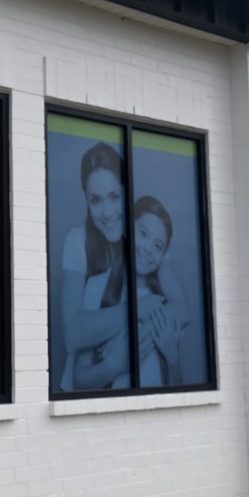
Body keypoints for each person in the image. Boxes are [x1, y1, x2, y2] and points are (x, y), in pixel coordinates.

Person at [59, 143, 164, 390]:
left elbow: (178, 310)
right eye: (95, 200)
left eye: (114, 197)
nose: (107, 213)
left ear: (127, 192)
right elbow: (72, 335)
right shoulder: (78, 241)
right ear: (85, 198)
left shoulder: (145, 241)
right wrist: (136, 310)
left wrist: (112, 335)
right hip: (79, 393)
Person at [87, 197, 188, 389]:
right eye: (143, 233)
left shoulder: (163, 300)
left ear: (163, 256)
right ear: (127, 229)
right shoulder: (96, 287)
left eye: (158, 246)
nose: (149, 249)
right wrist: (112, 364)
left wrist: (172, 356)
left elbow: (178, 383)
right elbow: (81, 381)